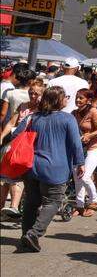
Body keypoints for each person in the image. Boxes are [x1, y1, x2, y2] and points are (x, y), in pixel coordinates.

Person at [13, 86, 84, 253]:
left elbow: (16, 134)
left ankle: (26, 236)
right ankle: (34, 233)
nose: (68, 99)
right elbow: (76, 144)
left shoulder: (33, 117)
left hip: (31, 166)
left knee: (31, 202)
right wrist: (80, 163)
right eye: (65, 96)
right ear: (58, 100)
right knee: (53, 201)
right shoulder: (68, 119)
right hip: (55, 168)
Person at [0, 68, 37, 218]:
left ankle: (12, 206)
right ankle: (11, 207)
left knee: (11, 173)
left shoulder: (10, 93)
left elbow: (3, 114)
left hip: (25, 140)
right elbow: (12, 120)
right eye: (32, 93)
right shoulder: (24, 105)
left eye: (36, 94)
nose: (33, 95)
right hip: (16, 139)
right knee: (9, 174)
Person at [70, 87, 97, 217]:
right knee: (77, 178)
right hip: (78, 150)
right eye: (77, 97)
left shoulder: (93, 111)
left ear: (88, 100)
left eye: (81, 98)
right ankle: (79, 206)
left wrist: (89, 135)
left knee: (85, 176)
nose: (78, 100)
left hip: (92, 149)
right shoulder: (73, 113)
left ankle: (93, 201)